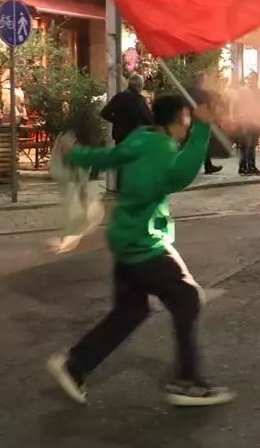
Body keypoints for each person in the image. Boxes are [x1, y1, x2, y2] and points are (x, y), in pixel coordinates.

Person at [45, 94, 234, 406]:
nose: (186, 126)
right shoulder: (162, 149)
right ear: (176, 120)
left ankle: (75, 364)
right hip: (145, 244)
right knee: (186, 299)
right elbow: (180, 174)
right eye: (185, 119)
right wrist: (203, 127)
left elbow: (107, 158)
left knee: (131, 311)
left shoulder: (140, 138)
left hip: (124, 237)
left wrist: (75, 153)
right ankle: (187, 382)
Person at [99, 73, 153, 191]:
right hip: (135, 136)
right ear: (139, 86)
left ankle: (120, 188)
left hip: (120, 136)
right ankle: (132, 189)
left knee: (121, 164)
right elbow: (149, 119)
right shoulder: (139, 100)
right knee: (134, 164)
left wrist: (116, 121)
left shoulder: (119, 97)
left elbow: (104, 113)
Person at [188, 71, 223, 175]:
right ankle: (203, 166)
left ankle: (208, 166)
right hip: (198, 120)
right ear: (202, 80)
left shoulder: (190, 91)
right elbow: (207, 105)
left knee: (200, 143)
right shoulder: (200, 93)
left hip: (191, 119)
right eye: (205, 79)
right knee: (199, 143)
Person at [234, 73, 260, 176]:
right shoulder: (242, 91)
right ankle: (243, 166)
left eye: (253, 79)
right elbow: (236, 105)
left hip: (255, 120)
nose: (250, 81)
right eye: (249, 79)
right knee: (246, 144)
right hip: (245, 120)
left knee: (253, 145)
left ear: (257, 80)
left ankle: (252, 166)